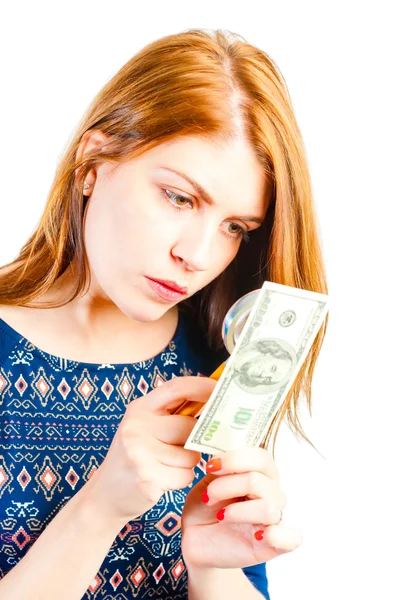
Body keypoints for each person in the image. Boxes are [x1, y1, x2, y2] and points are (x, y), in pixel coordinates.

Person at [0, 28, 328, 600]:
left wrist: (213, 566)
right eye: (180, 197)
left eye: (235, 228)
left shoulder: (213, 370)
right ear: (91, 163)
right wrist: (101, 506)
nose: (197, 256)